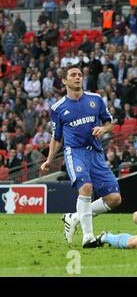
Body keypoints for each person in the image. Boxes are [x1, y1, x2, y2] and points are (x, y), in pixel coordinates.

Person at [40, 65, 122, 248]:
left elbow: (109, 123)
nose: (78, 77)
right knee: (86, 187)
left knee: (114, 199)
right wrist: (49, 160)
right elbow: (57, 137)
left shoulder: (96, 99)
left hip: (96, 154)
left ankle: (74, 217)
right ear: (64, 80)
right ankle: (88, 237)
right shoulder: (57, 108)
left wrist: (103, 128)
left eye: (79, 75)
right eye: (73, 75)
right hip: (75, 152)